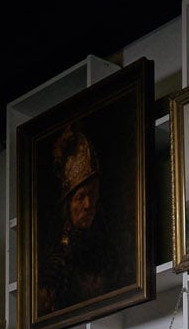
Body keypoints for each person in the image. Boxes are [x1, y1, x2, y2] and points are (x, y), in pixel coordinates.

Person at [37, 123, 126, 315]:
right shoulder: (57, 262)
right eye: (80, 197)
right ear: (68, 205)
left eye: (93, 194)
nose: (88, 204)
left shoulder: (108, 250)